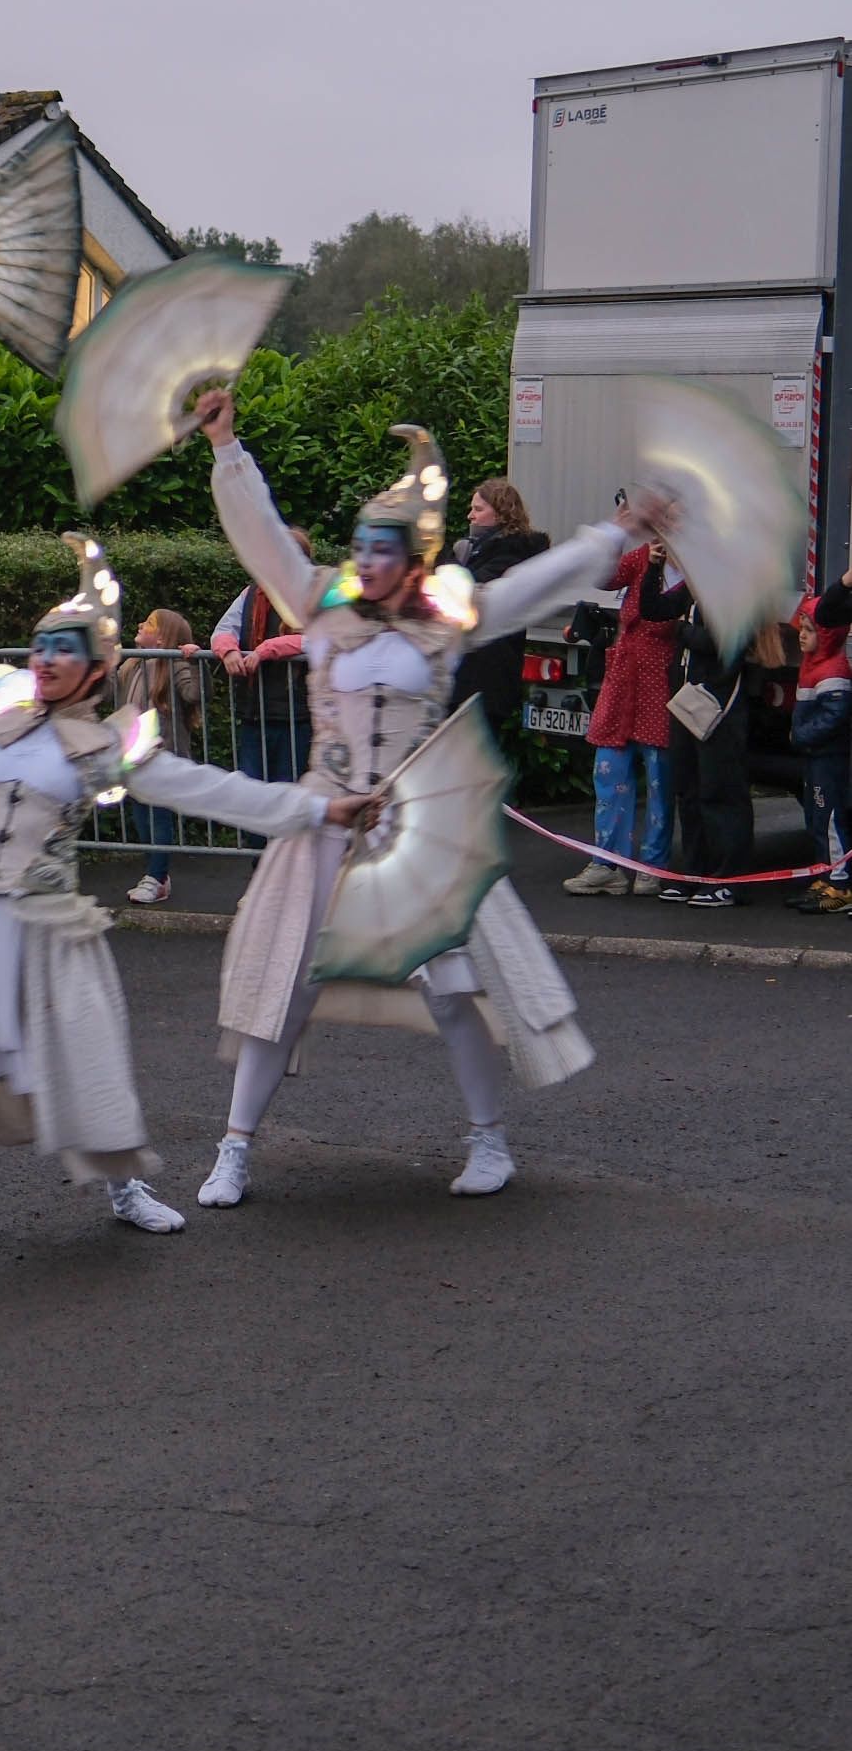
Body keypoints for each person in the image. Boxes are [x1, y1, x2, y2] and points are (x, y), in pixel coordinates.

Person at [0, 541, 360, 1242]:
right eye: (39, 646)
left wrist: (314, 810)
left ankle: (123, 1188)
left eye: (62, 649)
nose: (43, 659)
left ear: (96, 668)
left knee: (81, 1071)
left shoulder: (104, 747)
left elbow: (210, 790)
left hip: (39, 928)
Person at [193, 393, 658, 1206]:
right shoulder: (318, 602)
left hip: (413, 831)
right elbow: (260, 534)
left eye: (380, 551)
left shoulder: (448, 620)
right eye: (358, 548)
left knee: (451, 989)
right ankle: (234, 1147)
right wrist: (227, 448)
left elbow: (536, 583)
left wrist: (617, 533)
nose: (362, 561)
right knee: (286, 984)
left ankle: (488, 1141)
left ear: (411, 562)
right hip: (324, 821)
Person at [643, 557, 754, 909]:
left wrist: (682, 631)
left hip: (719, 704)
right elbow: (653, 609)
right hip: (687, 701)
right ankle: (694, 873)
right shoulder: (694, 586)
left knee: (720, 791)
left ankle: (728, 880)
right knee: (687, 789)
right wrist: (652, 569)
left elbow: (724, 644)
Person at [570, 536, 678, 896]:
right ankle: (607, 862)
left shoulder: (696, 570)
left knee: (660, 779)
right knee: (609, 769)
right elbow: (605, 578)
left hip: (662, 680)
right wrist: (613, 536)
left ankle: (652, 865)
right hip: (624, 678)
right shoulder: (642, 555)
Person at [448, 480, 550, 769]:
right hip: (466, 673)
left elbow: (471, 592)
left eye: (478, 509)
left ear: (501, 513)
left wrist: (450, 562)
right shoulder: (476, 550)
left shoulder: (513, 554)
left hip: (485, 676)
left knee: (471, 764)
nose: (470, 516)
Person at [210, 526, 313, 808]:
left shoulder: (315, 594)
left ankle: (284, 853)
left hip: (298, 717)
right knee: (252, 797)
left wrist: (268, 649)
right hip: (255, 714)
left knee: (288, 797)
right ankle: (258, 854)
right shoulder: (252, 593)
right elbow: (223, 629)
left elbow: (321, 639)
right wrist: (229, 650)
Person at [117, 607, 203, 905]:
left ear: (163, 637)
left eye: (150, 623)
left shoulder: (171, 664)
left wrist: (189, 661)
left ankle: (155, 876)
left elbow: (193, 695)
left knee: (158, 817)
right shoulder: (132, 665)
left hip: (162, 755)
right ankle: (157, 875)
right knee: (141, 816)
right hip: (134, 755)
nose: (141, 623)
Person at [787, 574, 852, 913]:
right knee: (815, 815)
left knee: (829, 818)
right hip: (815, 756)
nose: (802, 634)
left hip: (828, 756)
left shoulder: (833, 670)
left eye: (809, 629)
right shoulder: (813, 666)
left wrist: (802, 736)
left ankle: (839, 884)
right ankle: (823, 874)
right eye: (802, 627)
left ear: (826, 635)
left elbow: (835, 715)